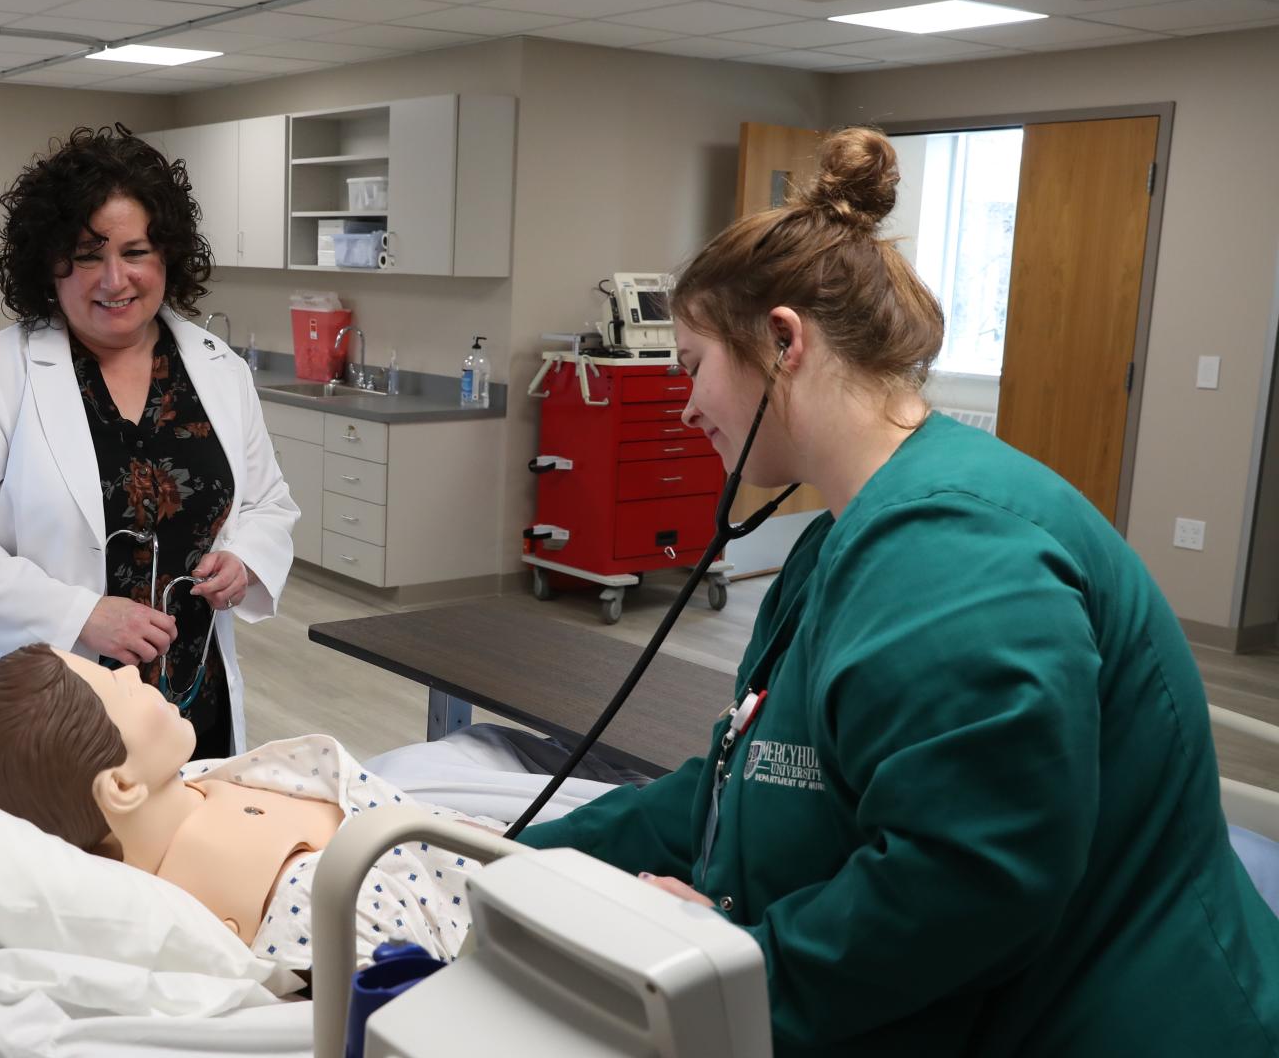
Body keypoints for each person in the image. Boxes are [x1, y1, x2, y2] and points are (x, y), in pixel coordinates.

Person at [518, 127, 1279, 1055]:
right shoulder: (848, 536)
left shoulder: (956, 554)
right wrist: (523, 863)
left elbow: (966, 887)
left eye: (692, 366)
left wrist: (732, 975)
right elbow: (739, 782)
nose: (685, 405)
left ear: (782, 341)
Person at [0, 125, 298, 760]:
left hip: (188, 706)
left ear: (167, 257)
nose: (115, 279)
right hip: (36, 706)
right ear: (48, 264)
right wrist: (78, 614)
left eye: (136, 251)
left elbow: (268, 503)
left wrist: (246, 560)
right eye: (87, 254)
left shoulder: (219, 371)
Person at [0, 642, 488, 970]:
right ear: (124, 788)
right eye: (116, 682)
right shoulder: (303, 903)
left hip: (471, 841)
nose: (131, 671)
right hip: (504, 897)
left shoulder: (195, 784)